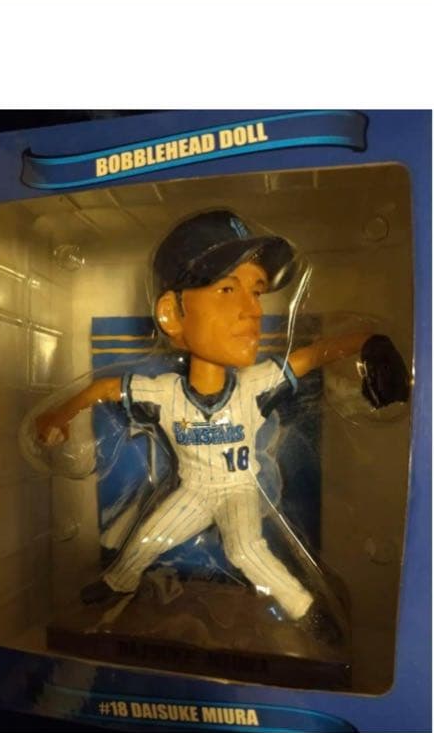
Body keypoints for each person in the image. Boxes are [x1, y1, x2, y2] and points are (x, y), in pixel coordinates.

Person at [35, 209, 408, 644]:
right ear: (172, 314)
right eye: (228, 289)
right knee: (149, 535)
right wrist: (56, 415)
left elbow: (310, 356)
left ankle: (307, 610)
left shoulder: (253, 386)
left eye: (257, 291)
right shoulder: (165, 393)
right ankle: (118, 583)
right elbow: (104, 388)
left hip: (237, 489)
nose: (252, 309)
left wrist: (366, 341)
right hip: (193, 490)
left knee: (245, 550)